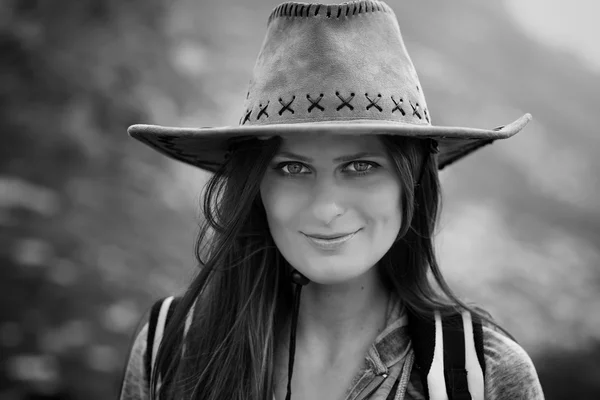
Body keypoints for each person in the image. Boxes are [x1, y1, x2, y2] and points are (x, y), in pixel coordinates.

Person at [119, 1, 544, 399]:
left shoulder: (482, 376)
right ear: (256, 186)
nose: (326, 208)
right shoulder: (170, 347)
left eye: (360, 167)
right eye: (292, 168)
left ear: (411, 180)